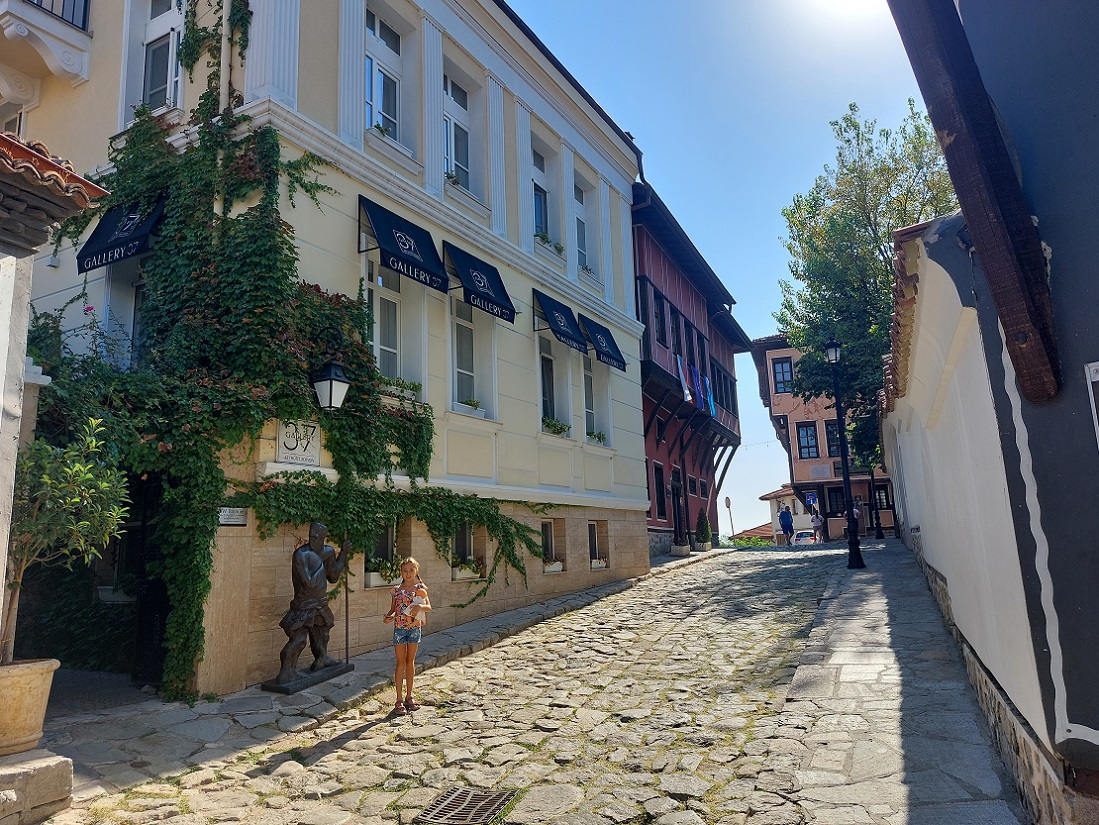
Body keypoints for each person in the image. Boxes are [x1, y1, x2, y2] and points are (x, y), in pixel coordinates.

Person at [274, 522, 350, 684]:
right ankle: (286, 673)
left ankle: (321, 659)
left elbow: (334, 576)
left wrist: (343, 554)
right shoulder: (301, 554)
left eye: (317, 535)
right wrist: (320, 562)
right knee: (299, 639)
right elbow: (308, 582)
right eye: (311, 535)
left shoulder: (328, 551)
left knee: (323, 632)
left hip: (320, 602)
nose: (313, 538)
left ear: (323, 537)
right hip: (304, 604)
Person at [383, 557, 431, 715]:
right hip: (399, 630)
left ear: (416, 571)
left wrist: (420, 606)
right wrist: (387, 617)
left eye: (411, 570)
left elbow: (428, 607)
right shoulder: (396, 590)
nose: (408, 573)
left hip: (414, 628)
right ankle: (398, 699)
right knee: (400, 663)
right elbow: (393, 610)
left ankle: (409, 696)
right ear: (401, 572)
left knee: (410, 662)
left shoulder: (421, 588)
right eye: (405, 570)